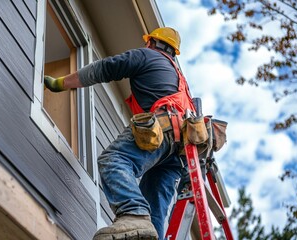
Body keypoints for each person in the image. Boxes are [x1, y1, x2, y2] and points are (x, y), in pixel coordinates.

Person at [45, 27, 197, 240]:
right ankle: (142, 228)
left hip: (163, 132)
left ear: (151, 42)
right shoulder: (179, 81)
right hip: (178, 154)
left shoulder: (147, 56)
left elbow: (105, 68)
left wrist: (61, 83)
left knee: (114, 160)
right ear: (173, 51)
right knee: (154, 204)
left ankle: (132, 213)